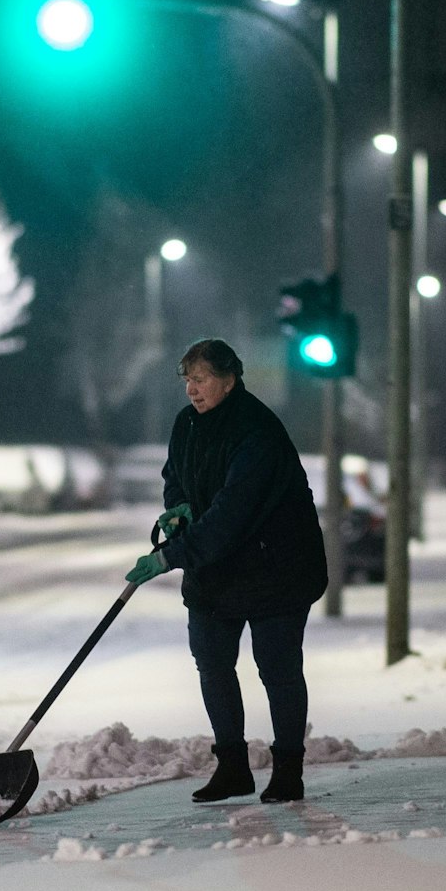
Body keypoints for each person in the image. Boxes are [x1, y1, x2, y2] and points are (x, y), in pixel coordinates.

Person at [125, 338, 327, 803]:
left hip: (277, 566)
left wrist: (168, 557)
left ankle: (288, 772)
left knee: (277, 669)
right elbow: (175, 474)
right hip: (218, 571)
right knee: (212, 663)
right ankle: (233, 767)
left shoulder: (257, 432)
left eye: (203, 379)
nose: (193, 390)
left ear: (230, 379)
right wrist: (177, 507)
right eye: (188, 380)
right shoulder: (187, 424)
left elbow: (231, 516)